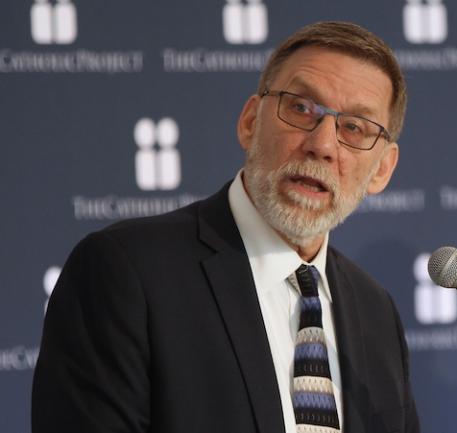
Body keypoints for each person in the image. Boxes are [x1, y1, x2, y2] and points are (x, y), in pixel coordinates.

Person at [32, 21, 420, 433]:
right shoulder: (126, 272)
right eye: (301, 108)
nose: (322, 145)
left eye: (355, 128)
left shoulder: (376, 311)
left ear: (382, 169)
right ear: (250, 122)